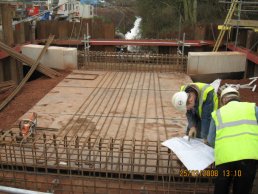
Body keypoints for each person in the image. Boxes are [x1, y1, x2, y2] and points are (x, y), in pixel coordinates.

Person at [207, 86, 258, 194]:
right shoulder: (253, 108)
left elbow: (211, 139)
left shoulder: (218, 114)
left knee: (221, 189)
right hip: (248, 158)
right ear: (237, 97)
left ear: (224, 100)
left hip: (225, 160)